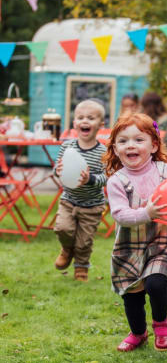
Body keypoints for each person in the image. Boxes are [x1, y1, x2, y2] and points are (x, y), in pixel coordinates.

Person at [103, 113, 167, 352]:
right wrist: (146, 212)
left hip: (163, 241)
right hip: (130, 247)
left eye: (139, 139)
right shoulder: (117, 180)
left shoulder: (166, 171)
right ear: (115, 149)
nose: (131, 145)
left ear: (154, 145)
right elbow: (120, 214)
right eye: (123, 141)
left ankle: (161, 323)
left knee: (156, 284)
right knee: (132, 296)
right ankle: (138, 333)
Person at [53, 100, 108, 281]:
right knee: (62, 228)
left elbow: (106, 177)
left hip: (92, 205)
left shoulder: (103, 151)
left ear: (100, 125)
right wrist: (58, 171)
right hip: (69, 200)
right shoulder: (66, 147)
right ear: (74, 123)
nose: (85, 121)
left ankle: (81, 267)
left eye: (90, 118)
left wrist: (90, 179)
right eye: (80, 117)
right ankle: (67, 249)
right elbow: (57, 169)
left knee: (84, 240)